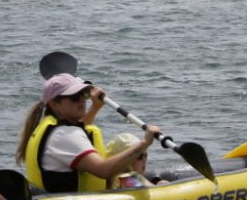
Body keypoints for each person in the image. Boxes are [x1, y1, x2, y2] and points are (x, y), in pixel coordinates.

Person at [16, 73, 161, 193]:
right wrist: (144, 144)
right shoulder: (64, 135)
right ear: (55, 104)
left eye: (83, 94)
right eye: (74, 97)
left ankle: (155, 185)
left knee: (125, 145)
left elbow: (80, 132)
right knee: (131, 145)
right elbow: (104, 171)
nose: (81, 100)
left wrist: (95, 108)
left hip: (63, 196)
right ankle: (157, 189)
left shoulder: (52, 125)